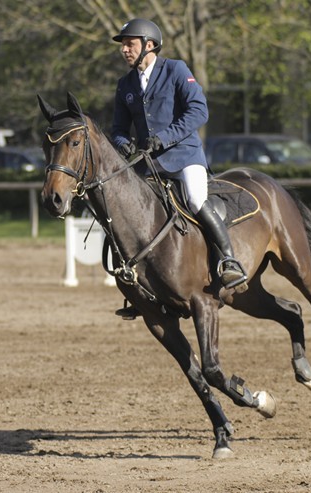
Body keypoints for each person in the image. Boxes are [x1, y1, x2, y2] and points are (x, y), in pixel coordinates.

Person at [110, 18, 247, 317]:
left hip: (184, 157)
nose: (124, 50)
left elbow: (199, 111)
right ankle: (138, 288)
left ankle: (228, 261)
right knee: (130, 212)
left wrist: (164, 138)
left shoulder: (175, 70)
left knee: (197, 200)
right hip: (149, 165)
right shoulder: (126, 85)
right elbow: (118, 128)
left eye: (129, 43)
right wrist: (124, 145)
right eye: (123, 45)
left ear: (149, 45)